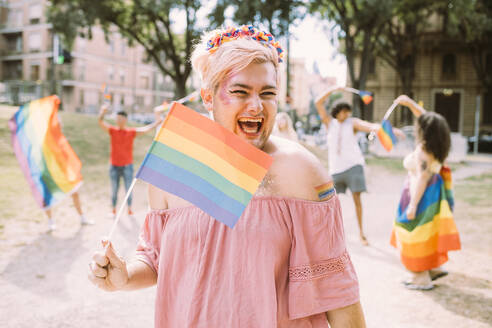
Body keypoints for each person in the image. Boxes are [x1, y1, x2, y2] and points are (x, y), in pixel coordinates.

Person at [89, 25, 365, 327]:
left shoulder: (301, 170)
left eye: (268, 93)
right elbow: (156, 258)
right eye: (240, 91)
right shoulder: (173, 163)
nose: (257, 105)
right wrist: (124, 276)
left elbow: (337, 292)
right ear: (208, 98)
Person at [315, 86, 404, 245]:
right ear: (337, 112)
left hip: (354, 166)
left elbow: (371, 126)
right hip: (335, 169)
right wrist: (334, 89)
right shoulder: (329, 123)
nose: (347, 114)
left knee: (357, 200)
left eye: (348, 112)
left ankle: (361, 233)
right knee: (330, 203)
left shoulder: (353, 123)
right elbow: (318, 102)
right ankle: (331, 234)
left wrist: (391, 131)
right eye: (344, 111)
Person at [390, 95, 461, 290]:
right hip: (434, 194)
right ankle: (433, 267)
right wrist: (411, 103)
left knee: (413, 230)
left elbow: (421, 178)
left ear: (425, 130)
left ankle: (420, 277)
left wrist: (412, 205)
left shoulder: (423, 150)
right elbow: (430, 120)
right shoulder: (439, 146)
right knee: (429, 230)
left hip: (420, 193)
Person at [97, 105, 162, 217]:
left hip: (127, 166)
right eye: (117, 119)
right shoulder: (113, 131)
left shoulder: (131, 132)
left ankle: (129, 209)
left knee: (129, 189)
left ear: (125, 119)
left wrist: (157, 123)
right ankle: (113, 210)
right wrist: (102, 112)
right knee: (114, 189)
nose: (118, 121)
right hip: (114, 166)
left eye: (121, 119)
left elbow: (145, 129)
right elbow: (100, 122)